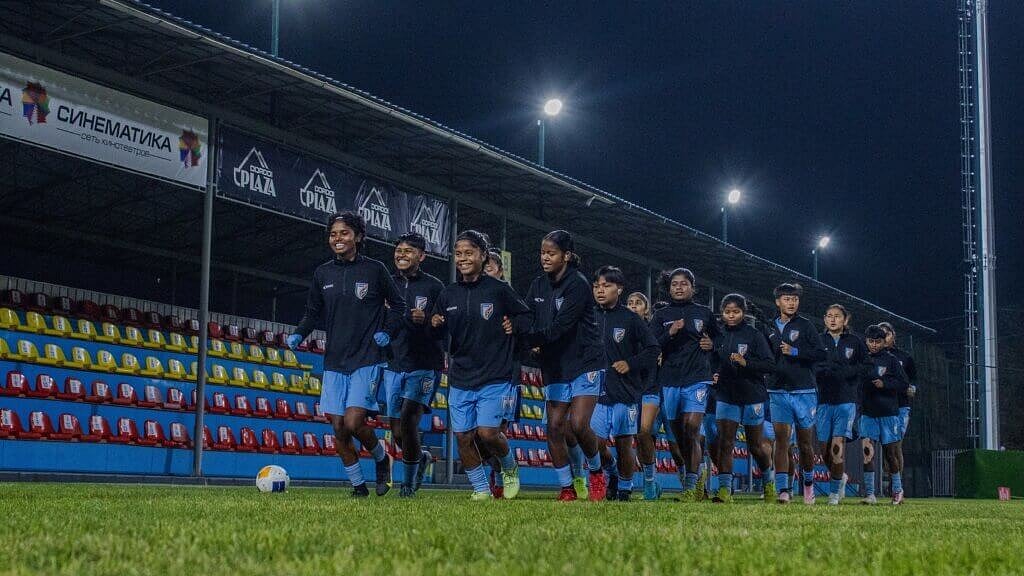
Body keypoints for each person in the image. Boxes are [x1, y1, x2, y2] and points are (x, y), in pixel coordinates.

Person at [287, 212, 406, 497]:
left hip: (366, 358)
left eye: (344, 233)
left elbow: (399, 306)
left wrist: (387, 332)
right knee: (339, 428)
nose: (337, 239)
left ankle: (381, 459)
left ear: (358, 237)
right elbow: (313, 313)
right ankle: (358, 488)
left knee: (353, 422)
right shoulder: (322, 273)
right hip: (334, 362)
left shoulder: (375, 270)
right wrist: (299, 333)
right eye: (333, 234)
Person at [429, 230, 530, 500]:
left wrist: (515, 324)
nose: (462, 258)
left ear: (483, 256)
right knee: (463, 437)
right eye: (459, 253)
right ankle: (481, 490)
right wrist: (435, 324)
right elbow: (439, 334)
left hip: (496, 374)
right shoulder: (448, 294)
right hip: (461, 375)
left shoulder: (499, 289)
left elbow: (526, 319)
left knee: (488, 434)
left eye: (469, 253)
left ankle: (509, 468)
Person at [522, 230, 607, 501]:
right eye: (542, 253)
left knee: (579, 424)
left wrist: (531, 339)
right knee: (556, 426)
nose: (545, 258)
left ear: (566, 256)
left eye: (551, 253)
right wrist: (519, 330)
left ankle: (596, 473)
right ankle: (567, 488)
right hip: (555, 364)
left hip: (585, 361)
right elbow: (527, 316)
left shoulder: (579, 285)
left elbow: (561, 327)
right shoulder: (537, 285)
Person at [382, 232, 445, 497]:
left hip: (424, 363)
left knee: (409, 418)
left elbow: (445, 324)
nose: (402, 255)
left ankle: (406, 487)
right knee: (397, 430)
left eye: (408, 251)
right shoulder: (387, 283)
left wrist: (430, 319)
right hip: (395, 362)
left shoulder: (434, 287)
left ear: (421, 256)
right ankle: (420, 458)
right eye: (399, 250)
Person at [648, 268, 718, 501]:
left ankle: (690, 488)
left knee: (692, 427)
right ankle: (697, 476)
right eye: (674, 284)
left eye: (684, 284)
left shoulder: (704, 313)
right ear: (669, 288)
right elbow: (651, 346)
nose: (678, 287)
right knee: (679, 438)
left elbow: (721, 341)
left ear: (692, 287)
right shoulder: (661, 315)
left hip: (697, 378)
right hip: (669, 380)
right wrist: (670, 332)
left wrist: (712, 345)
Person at [592, 267, 660, 501]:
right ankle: (611, 472)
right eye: (597, 286)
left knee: (623, 444)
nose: (601, 290)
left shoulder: (631, 319)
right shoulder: (589, 317)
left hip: (626, 392)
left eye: (607, 286)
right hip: (596, 393)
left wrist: (630, 363)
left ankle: (625, 488)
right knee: (596, 444)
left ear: (619, 289)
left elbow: (653, 349)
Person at [709, 294, 777, 503]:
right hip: (725, 395)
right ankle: (724, 491)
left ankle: (769, 483)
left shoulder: (754, 335)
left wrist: (746, 363)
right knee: (725, 443)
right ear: (722, 313)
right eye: (727, 312)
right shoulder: (717, 335)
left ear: (743, 312)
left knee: (755, 446)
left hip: (752, 396)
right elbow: (710, 360)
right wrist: (712, 373)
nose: (731, 315)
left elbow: (769, 364)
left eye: (736, 312)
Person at [764, 282, 826, 504]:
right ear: (778, 301)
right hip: (777, 390)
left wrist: (795, 351)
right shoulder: (769, 326)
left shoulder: (806, 325)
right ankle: (783, 490)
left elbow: (820, 354)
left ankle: (808, 485)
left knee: (805, 443)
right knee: (781, 441)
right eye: (787, 298)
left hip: (804, 391)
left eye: (795, 299)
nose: (791, 302)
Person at [815, 304, 869, 505]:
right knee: (824, 449)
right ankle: (841, 477)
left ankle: (833, 495)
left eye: (837, 316)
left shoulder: (855, 342)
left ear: (845, 320)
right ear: (824, 319)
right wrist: (821, 371)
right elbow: (811, 363)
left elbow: (867, 365)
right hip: (823, 401)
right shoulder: (819, 341)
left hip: (846, 401)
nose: (833, 319)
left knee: (838, 447)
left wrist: (850, 372)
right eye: (829, 316)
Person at [860, 324, 909, 505]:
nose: (873, 345)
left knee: (891, 454)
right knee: (868, 453)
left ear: (883, 342)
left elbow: (904, 384)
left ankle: (897, 490)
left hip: (889, 413)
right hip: (867, 413)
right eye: (871, 341)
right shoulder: (862, 359)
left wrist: (885, 384)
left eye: (877, 342)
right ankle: (870, 494)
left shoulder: (891, 360)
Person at [878, 322, 917, 439]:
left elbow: (914, 378)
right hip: (879, 406)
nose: (884, 337)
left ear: (893, 336)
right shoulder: (870, 357)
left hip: (900, 406)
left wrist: (913, 388)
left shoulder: (905, 357)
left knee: (895, 444)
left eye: (887, 334)